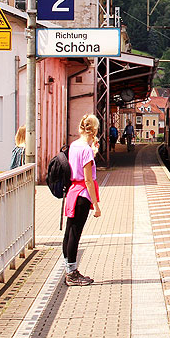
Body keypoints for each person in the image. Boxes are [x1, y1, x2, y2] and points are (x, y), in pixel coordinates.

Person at [62, 114, 102, 287]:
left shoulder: (74, 146)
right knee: (75, 234)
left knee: (69, 231)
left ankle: (68, 269)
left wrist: (93, 152)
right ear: (94, 130)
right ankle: (72, 274)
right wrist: (97, 205)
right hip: (82, 195)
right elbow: (87, 180)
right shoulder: (85, 149)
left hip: (72, 192)